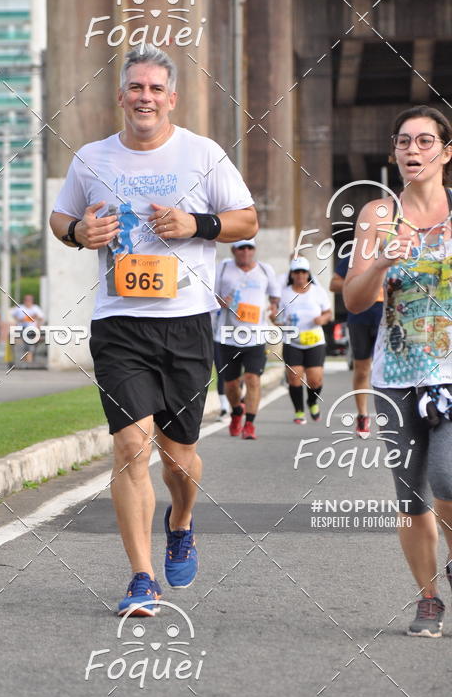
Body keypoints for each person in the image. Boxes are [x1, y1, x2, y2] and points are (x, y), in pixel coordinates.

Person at [50, 44, 257, 616]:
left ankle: (182, 520)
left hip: (186, 323)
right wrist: (77, 234)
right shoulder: (92, 158)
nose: (145, 97)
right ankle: (142, 577)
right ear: (121, 96)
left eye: (155, 89)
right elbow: (61, 216)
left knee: (179, 457)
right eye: (135, 88)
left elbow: (247, 218)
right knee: (129, 446)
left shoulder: (203, 154)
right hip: (119, 324)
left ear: (172, 98)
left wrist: (197, 223)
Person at [344, 105, 452, 638]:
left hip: (451, 371)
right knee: (410, 497)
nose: (414, 151)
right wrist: (383, 260)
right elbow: (355, 297)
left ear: (446, 153)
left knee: (448, 477)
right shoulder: (377, 217)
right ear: (394, 153)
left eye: (426, 142)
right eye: (405, 142)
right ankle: (428, 599)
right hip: (395, 376)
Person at [215, 238, 280, 439]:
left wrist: (274, 307)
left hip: (255, 336)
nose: (245, 251)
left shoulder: (265, 270)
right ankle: (236, 412)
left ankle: (250, 425)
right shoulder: (224, 268)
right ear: (233, 250)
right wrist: (220, 302)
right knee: (231, 384)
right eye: (241, 248)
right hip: (227, 336)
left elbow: (275, 296)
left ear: (254, 250)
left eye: (249, 247)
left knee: (253, 379)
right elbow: (210, 294)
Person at [330, 254, 383, 438]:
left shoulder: (397, 253)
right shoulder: (357, 256)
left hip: (387, 315)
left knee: (385, 369)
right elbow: (333, 283)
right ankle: (362, 415)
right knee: (362, 369)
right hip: (359, 315)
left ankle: (392, 415)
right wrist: (358, 284)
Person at [276, 257, 332, 424]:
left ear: (308, 274)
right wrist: (274, 318)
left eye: (303, 272)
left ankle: (312, 402)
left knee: (315, 379)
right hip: (293, 341)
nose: (300, 275)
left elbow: (328, 313)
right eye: (296, 272)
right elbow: (277, 317)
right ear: (291, 274)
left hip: (314, 341)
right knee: (294, 377)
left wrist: (322, 319)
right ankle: (299, 410)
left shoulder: (317, 291)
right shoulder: (284, 293)